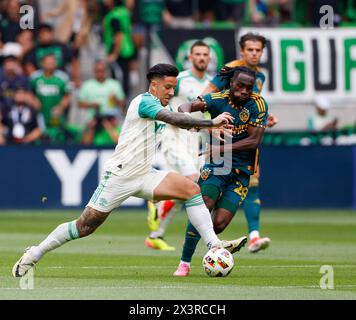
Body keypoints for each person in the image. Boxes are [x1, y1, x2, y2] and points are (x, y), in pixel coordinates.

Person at [12, 63, 247, 278]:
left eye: (174, 87)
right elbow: (174, 119)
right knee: (84, 227)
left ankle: (213, 244)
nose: (171, 92)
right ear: (153, 85)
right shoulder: (144, 102)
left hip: (145, 174)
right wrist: (210, 123)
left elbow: (180, 120)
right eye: (167, 87)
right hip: (120, 176)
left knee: (191, 189)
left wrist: (206, 131)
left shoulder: (160, 104)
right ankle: (35, 253)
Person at [173, 66, 268, 277]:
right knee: (204, 206)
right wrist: (205, 125)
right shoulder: (217, 99)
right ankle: (184, 263)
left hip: (242, 170)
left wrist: (221, 147)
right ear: (231, 83)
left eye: (248, 88)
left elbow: (254, 141)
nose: (244, 91)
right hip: (217, 164)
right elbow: (183, 107)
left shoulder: (258, 104)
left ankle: (212, 247)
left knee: (219, 223)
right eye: (240, 86)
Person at [202, 32, 277, 254]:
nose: (254, 54)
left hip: (246, 141)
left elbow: (250, 106)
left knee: (253, 180)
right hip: (222, 139)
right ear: (242, 51)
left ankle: (254, 236)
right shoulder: (230, 70)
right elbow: (205, 96)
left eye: (258, 50)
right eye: (250, 50)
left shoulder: (260, 77)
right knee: (209, 191)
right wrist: (213, 125)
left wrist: (265, 120)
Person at [144, 40, 212, 251]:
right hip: (174, 138)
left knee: (186, 190)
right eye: (197, 54)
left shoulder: (211, 84)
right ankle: (209, 240)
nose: (201, 58)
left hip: (196, 141)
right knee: (194, 182)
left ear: (209, 58)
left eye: (205, 54)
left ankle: (156, 233)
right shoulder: (180, 80)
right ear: (190, 57)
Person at [30, 54, 72, 144]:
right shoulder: (35, 77)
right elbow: (29, 92)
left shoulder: (62, 77)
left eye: (53, 62)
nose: (51, 64)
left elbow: (68, 96)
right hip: (40, 114)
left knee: (56, 135)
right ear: (42, 63)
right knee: (39, 136)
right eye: (48, 62)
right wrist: (33, 100)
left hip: (55, 114)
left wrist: (61, 106)